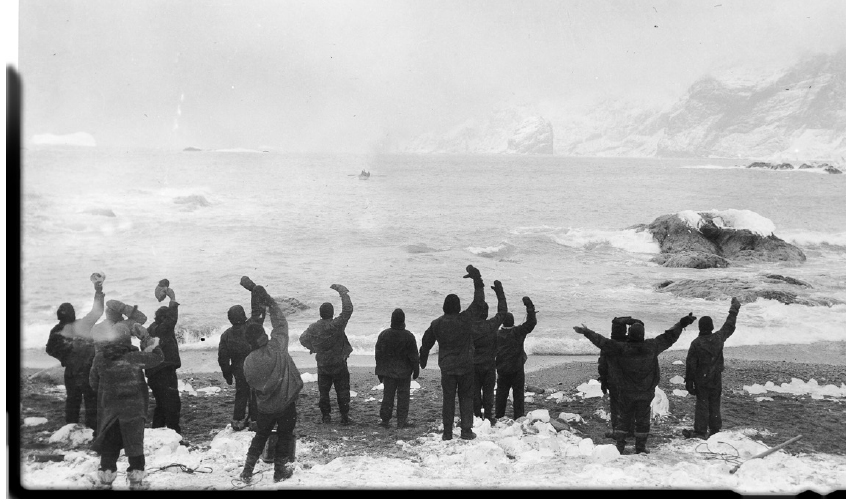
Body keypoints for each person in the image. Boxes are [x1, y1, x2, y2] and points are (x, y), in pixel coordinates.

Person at [574, 312, 697, 455]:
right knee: (643, 420)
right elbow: (670, 336)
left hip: (626, 391)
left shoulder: (621, 348)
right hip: (645, 391)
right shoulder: (652, 346)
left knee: (624, 418)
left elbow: (602, 341)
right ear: (643, 334)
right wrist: (682, 323)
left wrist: (586, 331)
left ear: (629, 334)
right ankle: (640, 447)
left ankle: (620, 446)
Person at [419, 265, 502, 441]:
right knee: (466, 397)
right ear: (458, 307)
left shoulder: (437, 323)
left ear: (444, 307)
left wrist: (423, 358)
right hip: (466, 366)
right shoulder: (465, 320)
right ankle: (466, 431)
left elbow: (426, 342)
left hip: (447, 367)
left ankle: (447, 432)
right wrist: (477, 280)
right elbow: (479, 303)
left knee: (448, 399)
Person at [239, 279, 304, 483]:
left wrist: (255, 294)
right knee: (285, 437)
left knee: (260, 437)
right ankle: (279, 472)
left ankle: (247, 471)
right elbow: (281, 323)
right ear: (265, 335)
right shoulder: (277, 346)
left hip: (265, 407)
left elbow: (252, 385)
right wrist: (270, 302)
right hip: (285, 403)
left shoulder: (248, 362)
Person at [89, 322, 163, 490]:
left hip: (111, 411)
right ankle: (136, 482)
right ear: (128, 339)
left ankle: (106, 480)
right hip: (134, 410)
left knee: (110, 446)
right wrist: (147, 339)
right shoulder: (135, 356)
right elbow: (159, 358)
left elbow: (93, 383)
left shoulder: (100, 357)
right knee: (135, 446)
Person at [46, 275, 105, 433]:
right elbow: (97, 312)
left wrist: (65, 355)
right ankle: (93, 431)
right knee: (90, 400)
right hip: (86, 370)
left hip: (73, 371)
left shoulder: (57, 331)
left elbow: (50, 349)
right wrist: (98, 291)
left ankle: (71, 429)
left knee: (73, 401)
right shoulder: (81, 325)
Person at [683, 297, 742, 440]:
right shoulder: (718, 338)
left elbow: (691, 365)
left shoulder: (696, 343)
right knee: (715, 403)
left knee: (702, 404)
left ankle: (700, 431)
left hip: (701, 379)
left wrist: (689, 382)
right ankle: (715, 430)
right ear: (711, 327)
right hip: (715, 377)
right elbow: (729, 326)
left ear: (700, 328)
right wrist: (734, 309)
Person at [299, 284, 354, 425]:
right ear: (332, 313)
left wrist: (313, 347)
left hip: (323, 364)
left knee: (324, 393)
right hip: (339, 363)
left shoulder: (314, 327)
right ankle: (344, 416)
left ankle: (326, 416)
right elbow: (348, 310)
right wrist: (343, 293)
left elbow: (302, 339)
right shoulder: (336, 325)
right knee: (343, 391)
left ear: (320, 313)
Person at [145, 281, 183, 436]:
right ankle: (175, 434)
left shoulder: (152, 328)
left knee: (161, 405)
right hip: (164, 372)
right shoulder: (162, 330)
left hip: (155, 374)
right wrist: (172, 298)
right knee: (173, 404)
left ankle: (156, 433)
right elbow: (171, 320)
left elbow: (169, 321)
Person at [470, 281, 508, 425]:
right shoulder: (491, 325)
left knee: (474, 392)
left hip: (473, 364)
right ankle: (488, 417)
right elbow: (502, 313)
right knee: (488, 392)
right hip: (488, 364)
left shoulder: (469, 326)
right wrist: (500, 294)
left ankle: (476, 416)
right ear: (486, 313)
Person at [494, 296, 538, 420]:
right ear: (512, 322)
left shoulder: (497, 334)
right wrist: (530, 307)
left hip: (502, 369)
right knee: (518, 394)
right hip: (517, 368)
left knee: (501, 394)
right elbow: (531, 323)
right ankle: (518, 416)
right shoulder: (518, 332)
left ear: (503, 322)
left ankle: (499, 416)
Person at [374, 309, 420, 429]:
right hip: (404, 372)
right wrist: (416, 370)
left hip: (388, 372)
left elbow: (379, 355)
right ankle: (401, 421)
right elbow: (414, 356)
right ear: (403, 321)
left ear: (392, 320)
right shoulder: (409, 336)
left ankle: (385, 421)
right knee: (403, 397)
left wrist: (379, 371)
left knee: (388, 396)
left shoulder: (384, 335)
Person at [598, 316, 642, 436]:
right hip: (631, 381)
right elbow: (640, 324)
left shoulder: (608, 345)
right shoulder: (631, 343)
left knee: (616, 407)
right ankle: (630, 430)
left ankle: (617, 431)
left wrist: (603, 382)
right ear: (625, 330)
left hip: (614, 381)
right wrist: (630, 320)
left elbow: (602, 366)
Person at [219, 304, 258, 431]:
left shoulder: (226, 335)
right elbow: (258, 312)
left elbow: (223, 358)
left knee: (241, 393)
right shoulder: (251, 327)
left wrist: (227, 375)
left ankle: (238, 420)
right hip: (254, 364)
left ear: (230, 319)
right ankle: (255, 420)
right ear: (243, 316)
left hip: (238, 367)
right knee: (255, 393)